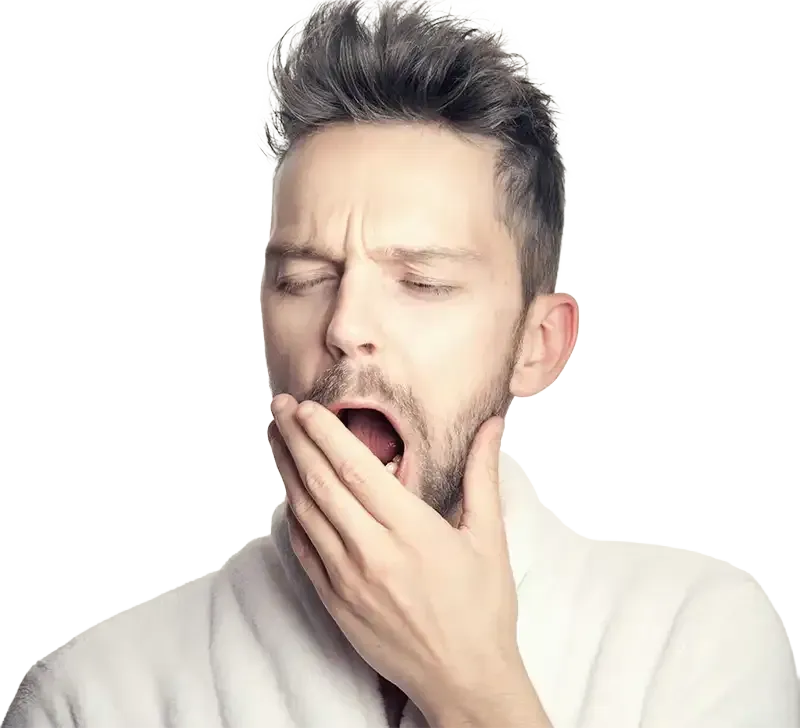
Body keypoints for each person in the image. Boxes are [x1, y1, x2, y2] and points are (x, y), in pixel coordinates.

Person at [3, 0, 796, 726]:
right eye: (303, 280)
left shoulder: (698, 644)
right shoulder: (98, 695)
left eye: (421, 282)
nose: (345, 325)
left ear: (538, 346)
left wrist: (469, 682)